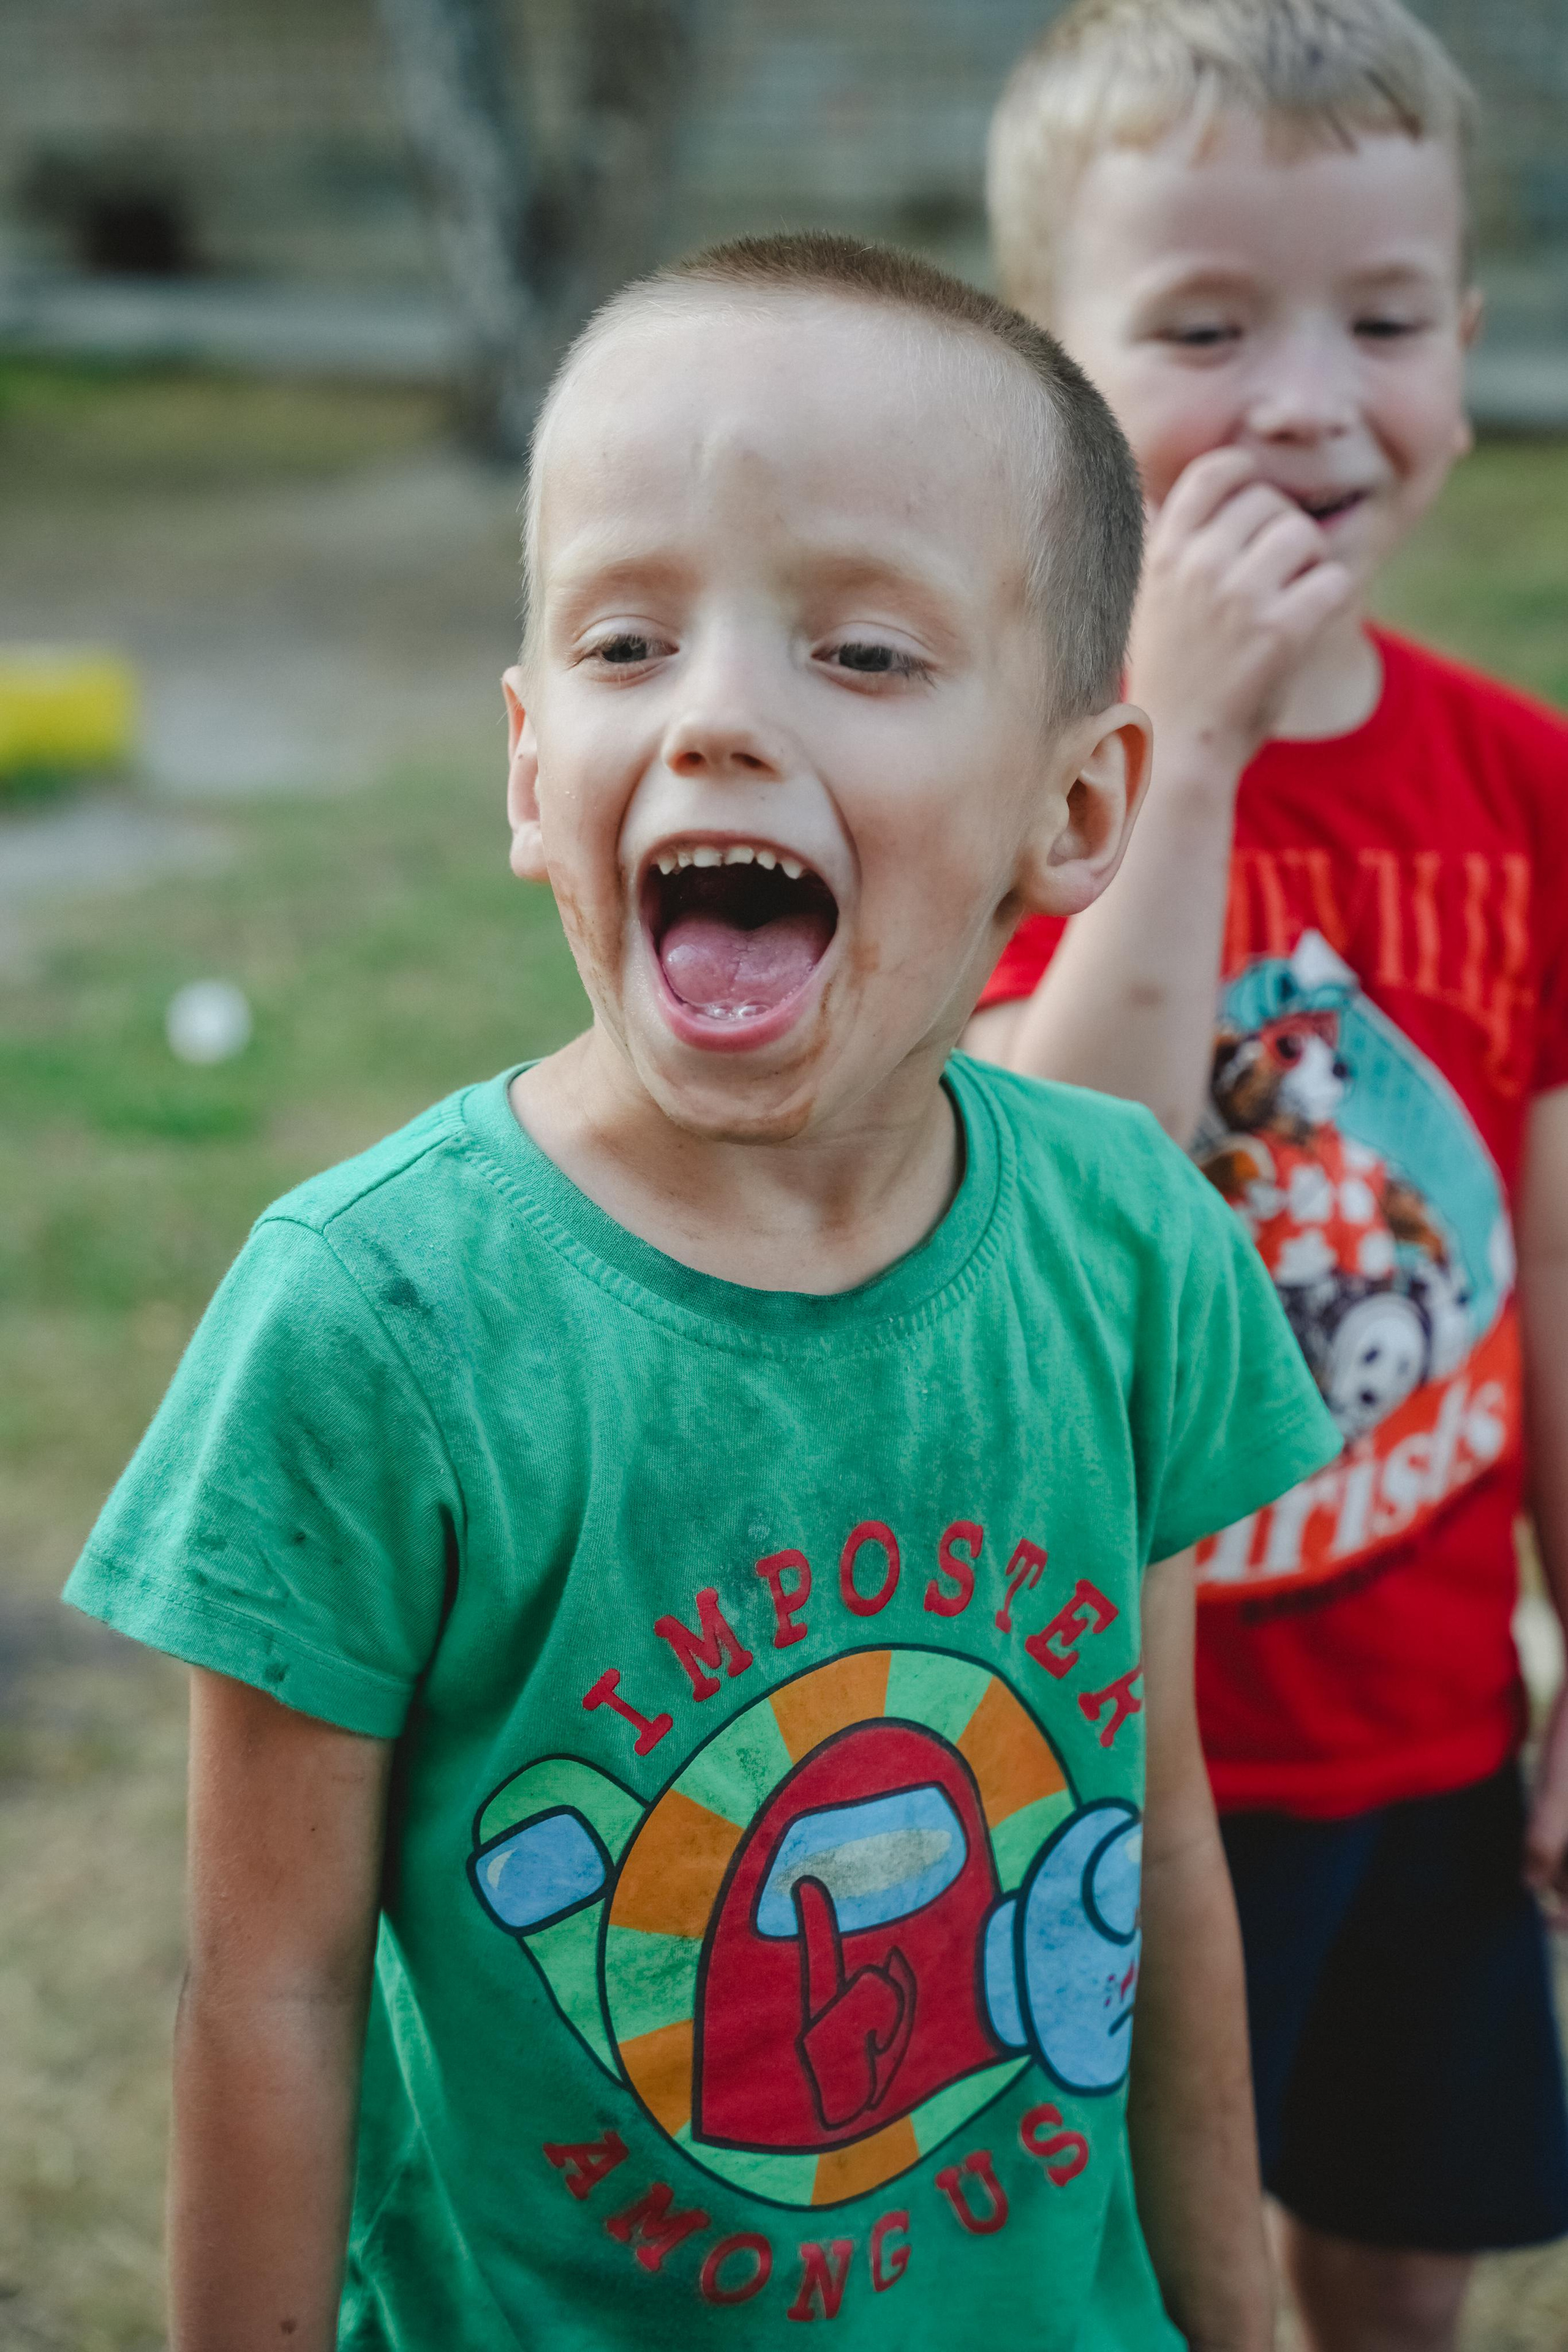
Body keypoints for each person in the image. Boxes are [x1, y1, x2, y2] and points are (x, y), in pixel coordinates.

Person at [64, 233, 1338, 2352]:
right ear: (523, 760)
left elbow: (1163, 1842)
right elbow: (267, 1989)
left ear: (1079, 799)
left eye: (859, 653)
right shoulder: (373, 1325)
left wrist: (1238, 2324)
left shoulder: (1133, 1250)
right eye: (630, 638)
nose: (722, 714)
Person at [971, 6, 1568, 2346]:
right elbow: (1071, 1172)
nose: (1309, 399)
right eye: (1208, 327)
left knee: (1402, 2237)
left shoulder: (1520, 782)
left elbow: (1545, 1259)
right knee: (1141, 2260)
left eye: (1384, 321)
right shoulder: (1028, 756)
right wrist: (1192, 744)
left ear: (1468, 346)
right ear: (1052, 369)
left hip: (1430, 1710)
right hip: (1120, 1733)